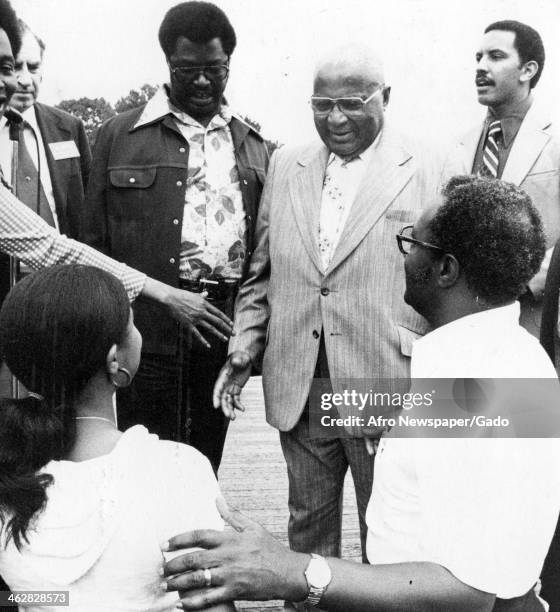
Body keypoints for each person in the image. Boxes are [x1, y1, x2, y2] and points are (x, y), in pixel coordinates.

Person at [165, 177, 560, 612]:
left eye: (412, 244)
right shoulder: (505, 357)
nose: (403, 257)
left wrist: (293, 571)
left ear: (446, 269)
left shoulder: (491, 384)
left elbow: (468, 594)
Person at [213, 42, 438, 572]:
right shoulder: (287, 163)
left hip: (384, 379)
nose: (335, 118)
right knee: (306, 527)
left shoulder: (429, 164)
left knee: (388, 532)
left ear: (385, 98)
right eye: (321, 105)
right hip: (301, 378)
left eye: (354, 103)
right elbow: (263, 271)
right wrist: (245, 347)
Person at [83, 1, 269, 471]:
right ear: (168, 63)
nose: (203, 82)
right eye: (189, 70)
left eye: (215, 69)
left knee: (204, 466)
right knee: (139, 460)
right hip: (142, 335)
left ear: (229, 63)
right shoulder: (117, 135)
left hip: (220, 332)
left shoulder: (251, 143)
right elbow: (91, 243)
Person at [0, 265, 234, 612]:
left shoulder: (10, 466)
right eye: (133, 323)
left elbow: (17, 599)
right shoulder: (175, 469)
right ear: (115, 360)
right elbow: (211, 606)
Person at [0, 0, 232, 347]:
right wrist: (164, 295)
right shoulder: (118, 134)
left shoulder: (68, 128)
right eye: (8, 67)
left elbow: (53, 245)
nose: (15, 81)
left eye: (17, 66)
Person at [441, 20, 560, 338]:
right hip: (465, 327)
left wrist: (518, 284)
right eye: (477, 58)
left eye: (495, 56)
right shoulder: (460, 146)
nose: (480, 67)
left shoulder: (555, 141)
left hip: (535, 324)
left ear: (528, 70)